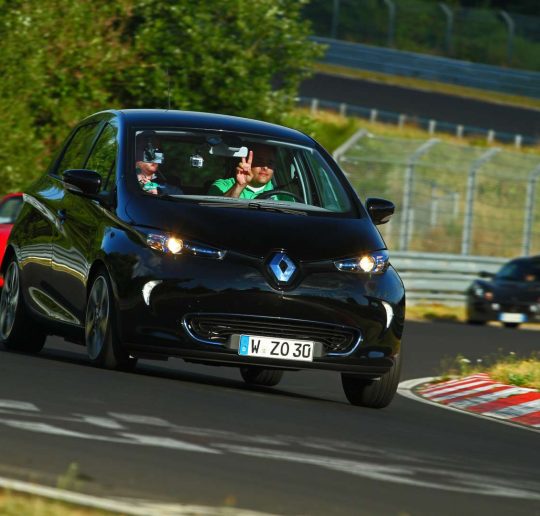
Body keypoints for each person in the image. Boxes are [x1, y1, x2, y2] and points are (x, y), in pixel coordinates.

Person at [208, 144, 277, 199]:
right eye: (259, 162)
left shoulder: (280, 194)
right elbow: (215, 212)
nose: (265, 167)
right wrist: (239, 186)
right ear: (246, 162)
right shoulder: (221, 186)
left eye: (270, 163)